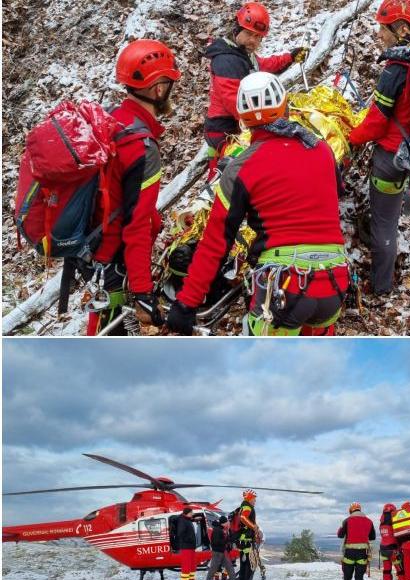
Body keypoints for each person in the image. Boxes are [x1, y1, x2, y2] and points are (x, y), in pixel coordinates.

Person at [167, 72, 351, 336]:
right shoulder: (321, 149)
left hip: (285, 284)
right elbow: (335, 195)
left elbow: (215, 243)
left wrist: (187, 303)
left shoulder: (241, 168)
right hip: (334, 279)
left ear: (243, 120)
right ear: (285, 106)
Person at [86, 39, 181, 334]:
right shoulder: (142, 147)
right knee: (109, 341)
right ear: (159, 89)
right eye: (169, 83)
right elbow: (136, 226)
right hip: (112, 258)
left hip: (91, 247)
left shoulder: (113, 118)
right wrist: (142, 292)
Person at [346, 0, 410, 296]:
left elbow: (376, 123)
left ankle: (381, 287)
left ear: (401, 28)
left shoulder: (397, 68)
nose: (379, 34)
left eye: (383, 28)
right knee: (392, 209)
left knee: (383, 224)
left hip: (390, 156)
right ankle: (400, 211)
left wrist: (350, 138)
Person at [202, 2, 306, 178]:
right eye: (249, 34)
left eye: (258, 37)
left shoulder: (241, 53)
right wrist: (265, 125)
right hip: (224, 129)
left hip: (237, 124)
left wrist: (289, 57)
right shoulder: (226, 61)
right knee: (232, 174)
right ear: (237, 29)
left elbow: (262, 65)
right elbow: (234, 102)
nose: (253, 41)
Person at [338, 502, 376, 580]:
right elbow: (372, 537)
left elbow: (340, 535)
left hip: (349, 553)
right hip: (362, 554)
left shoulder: (347, 520)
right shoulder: (369, 521)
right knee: (359, 579)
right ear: (360, 510)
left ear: (351, 511)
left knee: (347, 578)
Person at [235, 489, 262, 580]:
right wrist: (254, 527)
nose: (255, 501)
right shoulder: (247, 507)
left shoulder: (243, 506)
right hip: (247, 541)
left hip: (243, 541)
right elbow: (243, 518)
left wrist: (255, 527)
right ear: (250, 498)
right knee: (251, 565)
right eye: (254, 499)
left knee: (244, 566)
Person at [205, 515, 236, 580]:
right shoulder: (217, 530)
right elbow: (216, 542)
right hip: (217, 553)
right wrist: (226, 540)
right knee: (213, 569)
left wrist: (228, 539)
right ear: (223, 523)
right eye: (226, 522)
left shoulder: (220, 529)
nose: (227, 523)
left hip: (222, 551)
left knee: (229, 567)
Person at [175, 507, 201, 580]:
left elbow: (189, 521)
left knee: (192, 566)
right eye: (191, 512)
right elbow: (180, 534)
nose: (193, 514)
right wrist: (189, 540)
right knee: (186, 567)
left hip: (191, 547)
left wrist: (194, 519)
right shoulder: (182, 521)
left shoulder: (187, 520)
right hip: (186, 547)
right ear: (188, 513)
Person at [379, 503, 400, 580]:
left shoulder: (381, 522)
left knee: (387, 570)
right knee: (399, 569)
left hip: (383, 549)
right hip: (393, 548)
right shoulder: (394, 521)